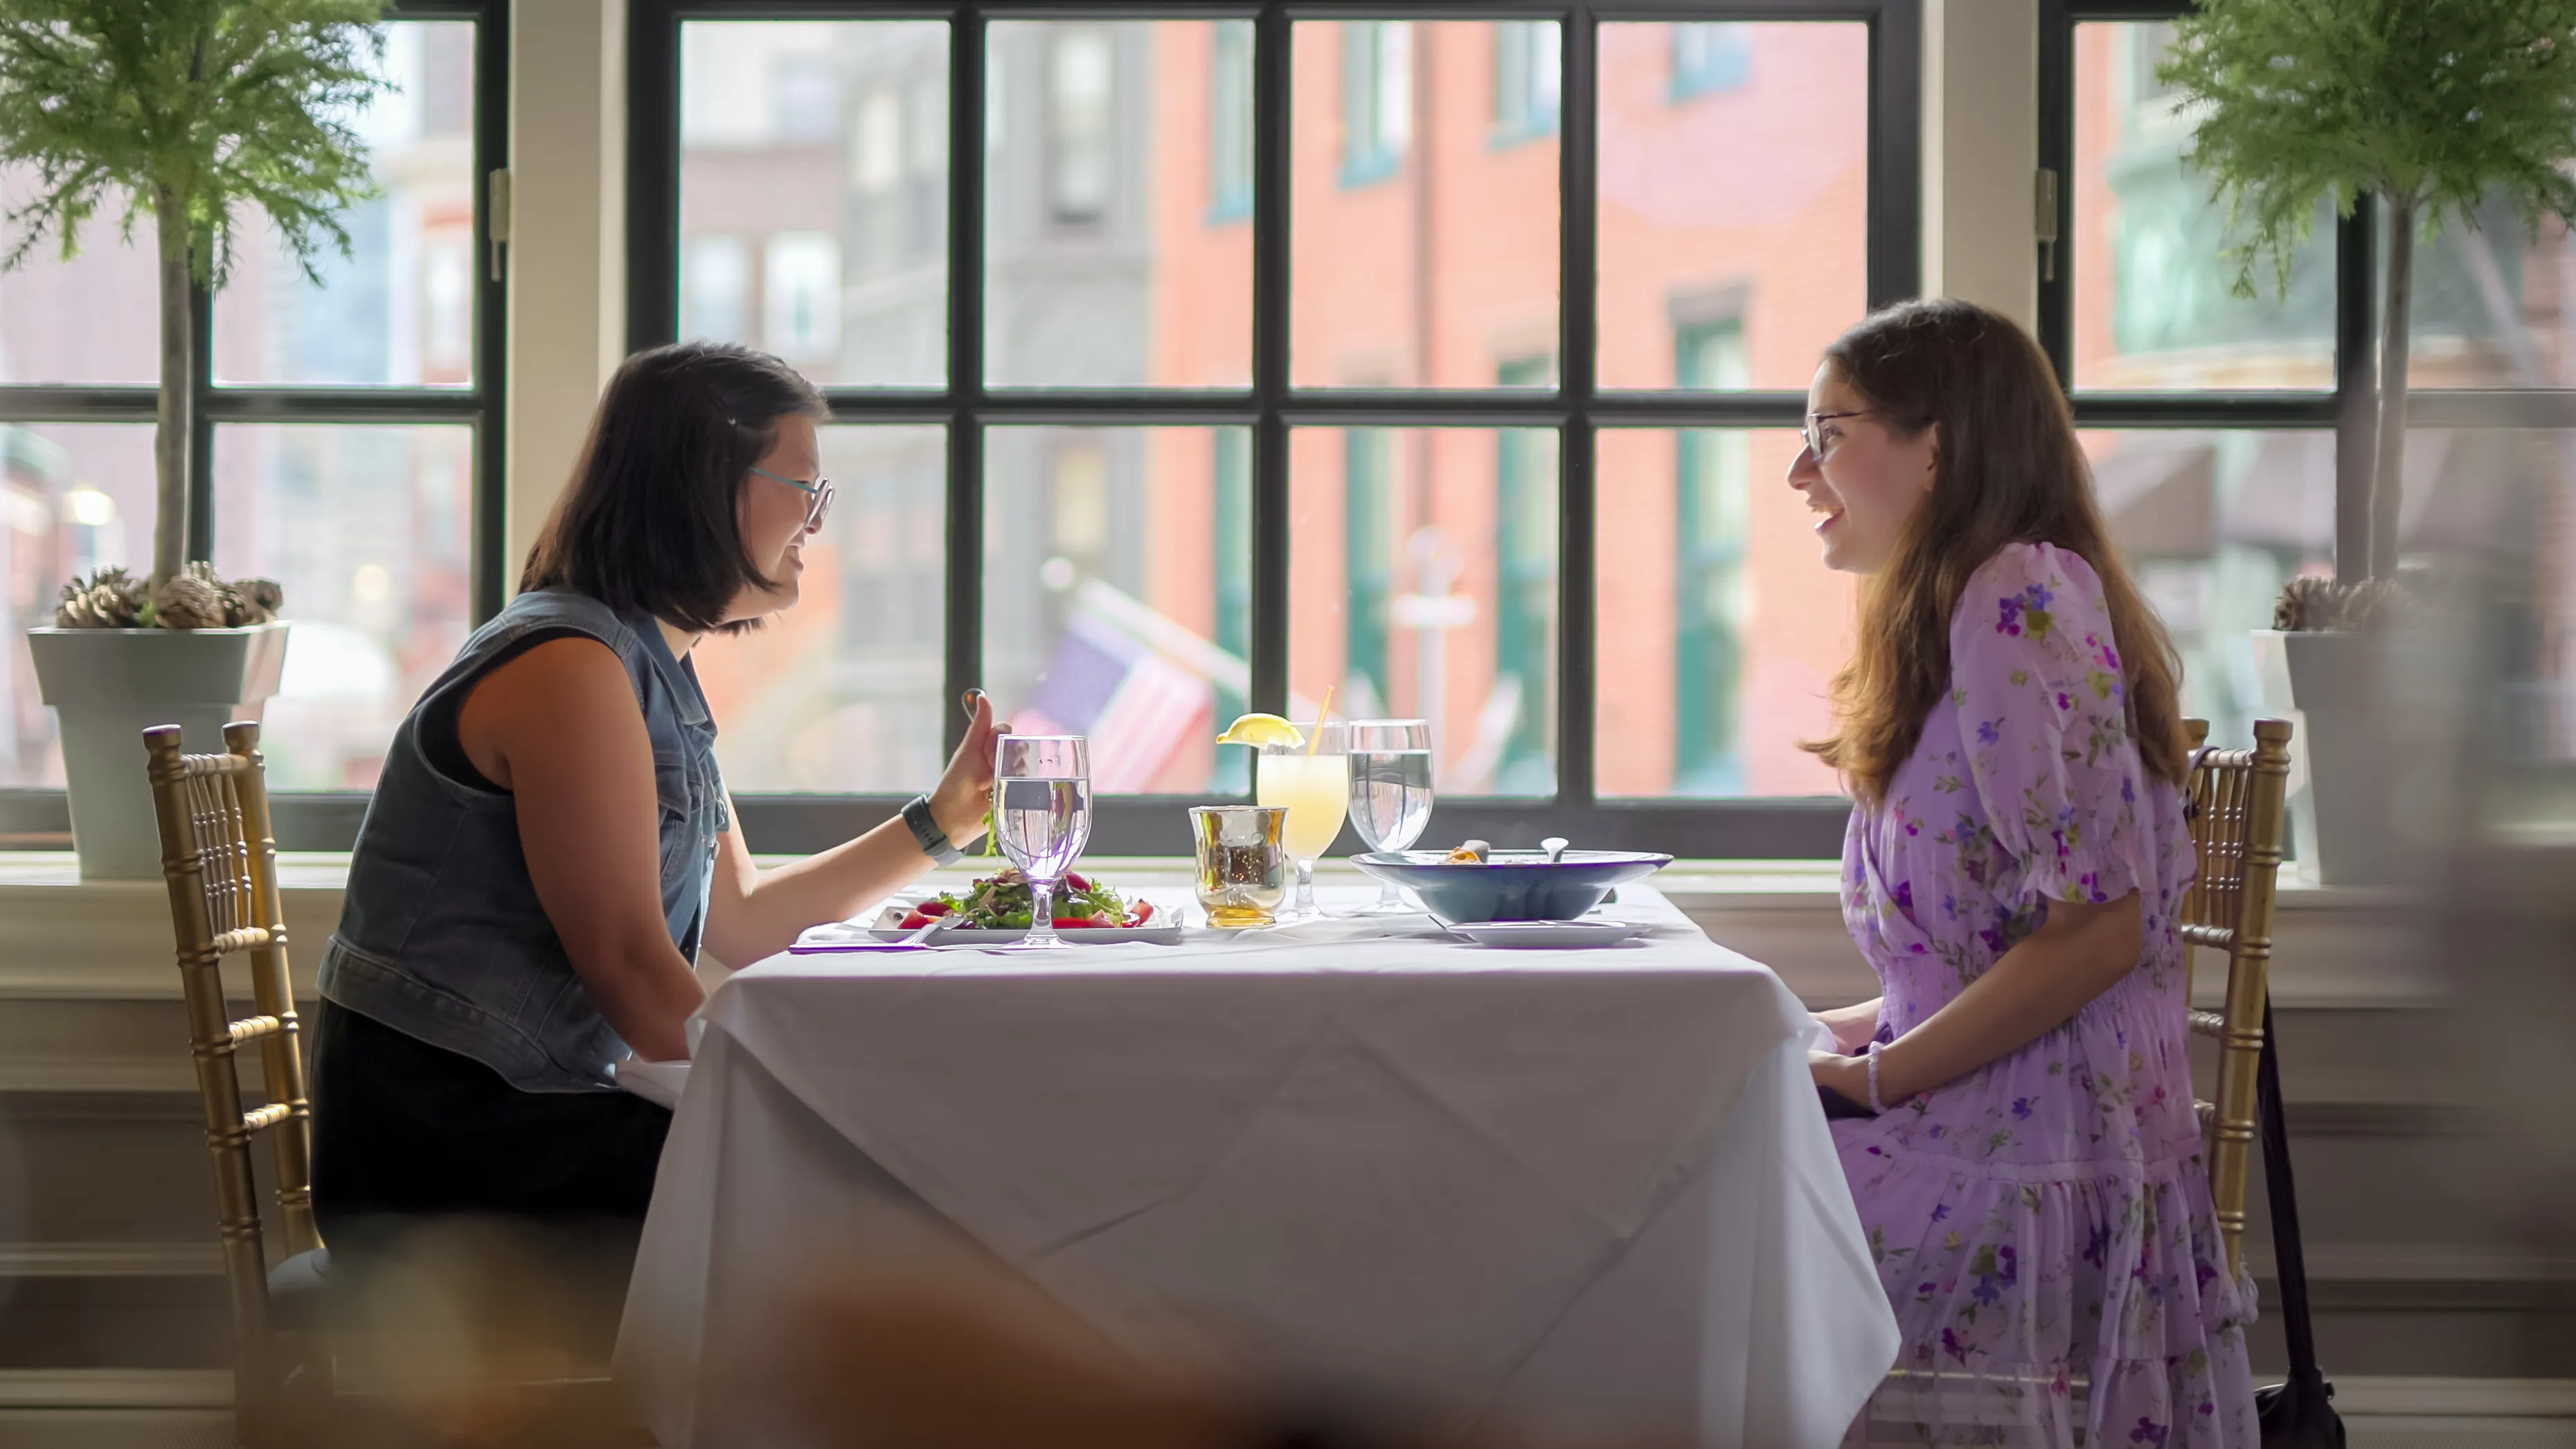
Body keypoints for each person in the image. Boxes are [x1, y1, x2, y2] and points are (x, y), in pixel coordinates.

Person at [310, 341, 1004, 1246]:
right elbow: (630, 965)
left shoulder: (642, 665)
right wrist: (807, 1105)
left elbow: (743, 920)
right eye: (806, 490)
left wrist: (940, 824)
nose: (817, 522)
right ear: (706, 487)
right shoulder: (570, 669)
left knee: (876, 1195)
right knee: (874, 1207)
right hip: (452, 1147)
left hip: (514, 1117)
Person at [1792, 301, 2258, 1445]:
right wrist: (1817, 1034)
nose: (1799, 470)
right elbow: (1970, 959)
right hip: (1995, 1120)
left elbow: (2098, 932)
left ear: (1937, 445)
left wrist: (1879, 1077)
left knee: (1703, 1239)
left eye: (1829, 429)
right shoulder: (1958, 617)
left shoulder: (2019, 597)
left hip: (2045, 1153)